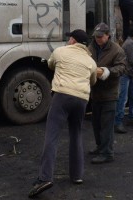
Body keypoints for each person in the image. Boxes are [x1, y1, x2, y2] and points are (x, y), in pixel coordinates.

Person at [29, 29, 98, 198]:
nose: (68, 41)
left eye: (70, 38)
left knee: (51, 136)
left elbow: (50, 64)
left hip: (62, 96)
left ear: (73, 41)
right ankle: (77, 175)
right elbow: (93, 80)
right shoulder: (91, 61)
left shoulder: (60, 52)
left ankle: (44, 178)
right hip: (81, 99)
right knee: (76, 135)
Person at [88, 22, 127, 164]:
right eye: (96, 36)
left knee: (107, 125)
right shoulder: (91, 47)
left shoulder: (117, 50)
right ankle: (100, 147)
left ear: (107, 36)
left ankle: (107, 153)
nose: (98, 39)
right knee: (96, 123)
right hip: (96, 92)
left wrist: (107, 71)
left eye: (100, 36)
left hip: (109, 93)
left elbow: (122, 68)